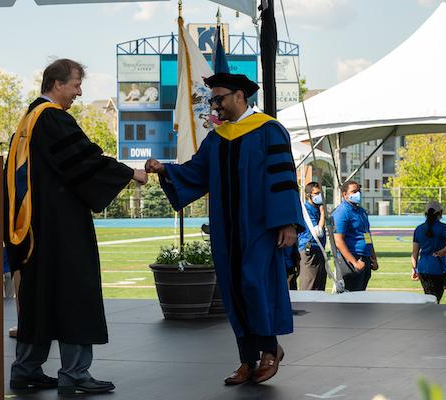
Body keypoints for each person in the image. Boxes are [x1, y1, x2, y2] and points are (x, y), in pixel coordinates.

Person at [145, 72, 304, 385]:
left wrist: (287, 223)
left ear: (240, 96)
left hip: (260, 226)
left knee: (253, 284)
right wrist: (166, 170)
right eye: (212, 99)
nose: (214, 105)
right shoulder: (218, 138)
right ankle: (247, 358)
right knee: (232, 289)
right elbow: (196, 173)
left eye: (219, 98)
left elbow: (283, 178)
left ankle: (270, 349)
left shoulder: (269, 130)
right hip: (226, 228)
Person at [4, 59, 148, 395]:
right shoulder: (52, 117)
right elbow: (83, 159)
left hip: (35, 228)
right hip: (62, 227)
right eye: (75, 84)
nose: (79, 92)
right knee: (74, 294)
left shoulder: (28, 121)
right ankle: (75, 373)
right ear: (56, 84)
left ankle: (25, 369)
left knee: (40, 296)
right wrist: (128, 173)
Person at [331, 180, 378, 291]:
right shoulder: (341, 212)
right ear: (345, 194)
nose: (358, 194)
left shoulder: (361, 211)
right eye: (354, 191)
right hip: (351, 261)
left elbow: (367, 236)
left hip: (365, 259)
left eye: (359, 191)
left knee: (360, 298)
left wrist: (373, 258)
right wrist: (354, 262)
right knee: (350, 301)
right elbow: (339, 241)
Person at [411, 201, 446, 303]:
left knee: (429, 298)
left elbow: (414, 253)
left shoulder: (419, 229)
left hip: (423, 268)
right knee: (435, 300)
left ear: (426, 214)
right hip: (438, 268)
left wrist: (414, 269)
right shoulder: (444, 227)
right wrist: (444, 251)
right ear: (440, 213)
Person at [297, 182, 327, 290]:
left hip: (319, 250)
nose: (320, 196)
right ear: (308, 195)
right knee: (309, 286)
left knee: (320, 287)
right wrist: (323, 214)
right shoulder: (306, 209)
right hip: (309, 250)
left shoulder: (317, 209)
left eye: (321, 193)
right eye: (316, 193)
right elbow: (318, 232)